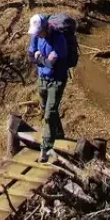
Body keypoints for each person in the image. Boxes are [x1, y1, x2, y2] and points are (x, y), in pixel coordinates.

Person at [27, 13, 70, 163]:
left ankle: (45, 149)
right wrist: (41, 59)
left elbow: (53, 64)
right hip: (42, 79)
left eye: (39, 31)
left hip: (57, 80)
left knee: (49, 113)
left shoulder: (59, 39)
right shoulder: (37, 36)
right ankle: (59, 135)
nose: (37, 34)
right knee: (46, 109)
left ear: (45, 28)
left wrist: (39, 58)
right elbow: (30, 56)